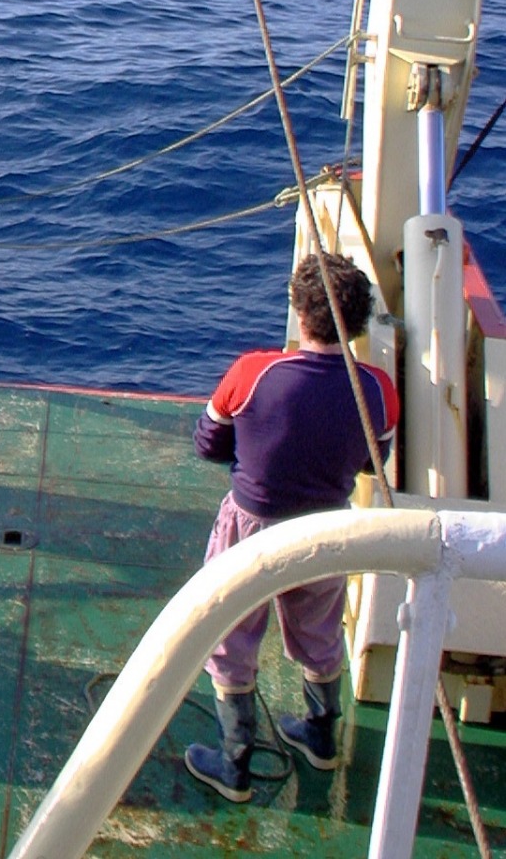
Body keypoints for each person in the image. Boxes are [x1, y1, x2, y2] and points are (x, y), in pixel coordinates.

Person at [183, 251, 399, 802]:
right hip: (325, 530)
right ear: (355, 322)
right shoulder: (378, 390)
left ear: (301, 314)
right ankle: (320, 738)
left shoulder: (255, 372)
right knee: (320, 635)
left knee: (232, 639)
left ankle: (235, 766)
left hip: (251, 526)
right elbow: (374, 460)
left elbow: (208, 443)